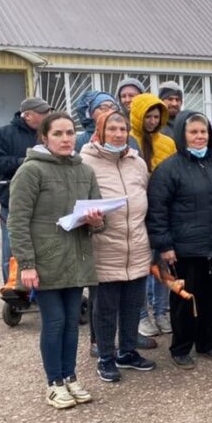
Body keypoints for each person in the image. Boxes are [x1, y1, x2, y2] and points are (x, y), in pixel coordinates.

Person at [8, 112, 103, 408]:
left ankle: (70, 377)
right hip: (46, 259)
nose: (65, 139)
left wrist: (97, 220)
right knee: (55, 322)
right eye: (58, 134)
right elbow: (17, 221)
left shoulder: (84, 171)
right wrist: (27, 263)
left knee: (72, 323)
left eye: (70, 133)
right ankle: (54, 383)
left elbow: (100, 217)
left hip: (77, 257)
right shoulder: (31, 171)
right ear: (44, 137)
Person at [147, 112, 212, 370]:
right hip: (185, 249)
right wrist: (165, 245)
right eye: (193, 132)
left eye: (203, 132)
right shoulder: (169, 169)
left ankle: (207, 342)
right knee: (185, 300)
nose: (200, 137)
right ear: (182, 135)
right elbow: (158, 210)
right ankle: (181, 347)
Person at [80, 110, 156, 381]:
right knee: (105, 308)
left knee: (133, 304)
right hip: (104, 246)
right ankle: (105, 356)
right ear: (100, 131)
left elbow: (146, 196)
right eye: (112, 129)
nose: (118, 134)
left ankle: (127, 351)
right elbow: (78, 203)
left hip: (136, 245)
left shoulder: (137, 162)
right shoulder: (85, 162)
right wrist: (91, 220)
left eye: (123, 129)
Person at [0, 96, 50, 282]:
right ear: (27, 115)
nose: (48, 115)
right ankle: (14, 290)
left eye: (48, 112)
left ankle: (45, 289)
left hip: (47, 202)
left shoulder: (51, 134)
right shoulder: (2, 134)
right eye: (43, 112)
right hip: (12, 202)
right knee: (12, 250)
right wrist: (23, 162)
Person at [129, 94, 178, 339]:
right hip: (138, 213)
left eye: (156, 116)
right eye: (147, 116)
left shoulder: (167, 143)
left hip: (162, 212)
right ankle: (141, 315)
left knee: (163, 265)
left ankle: (161, 311)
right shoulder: (129, 140)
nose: (152, 121)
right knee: (140, 268)